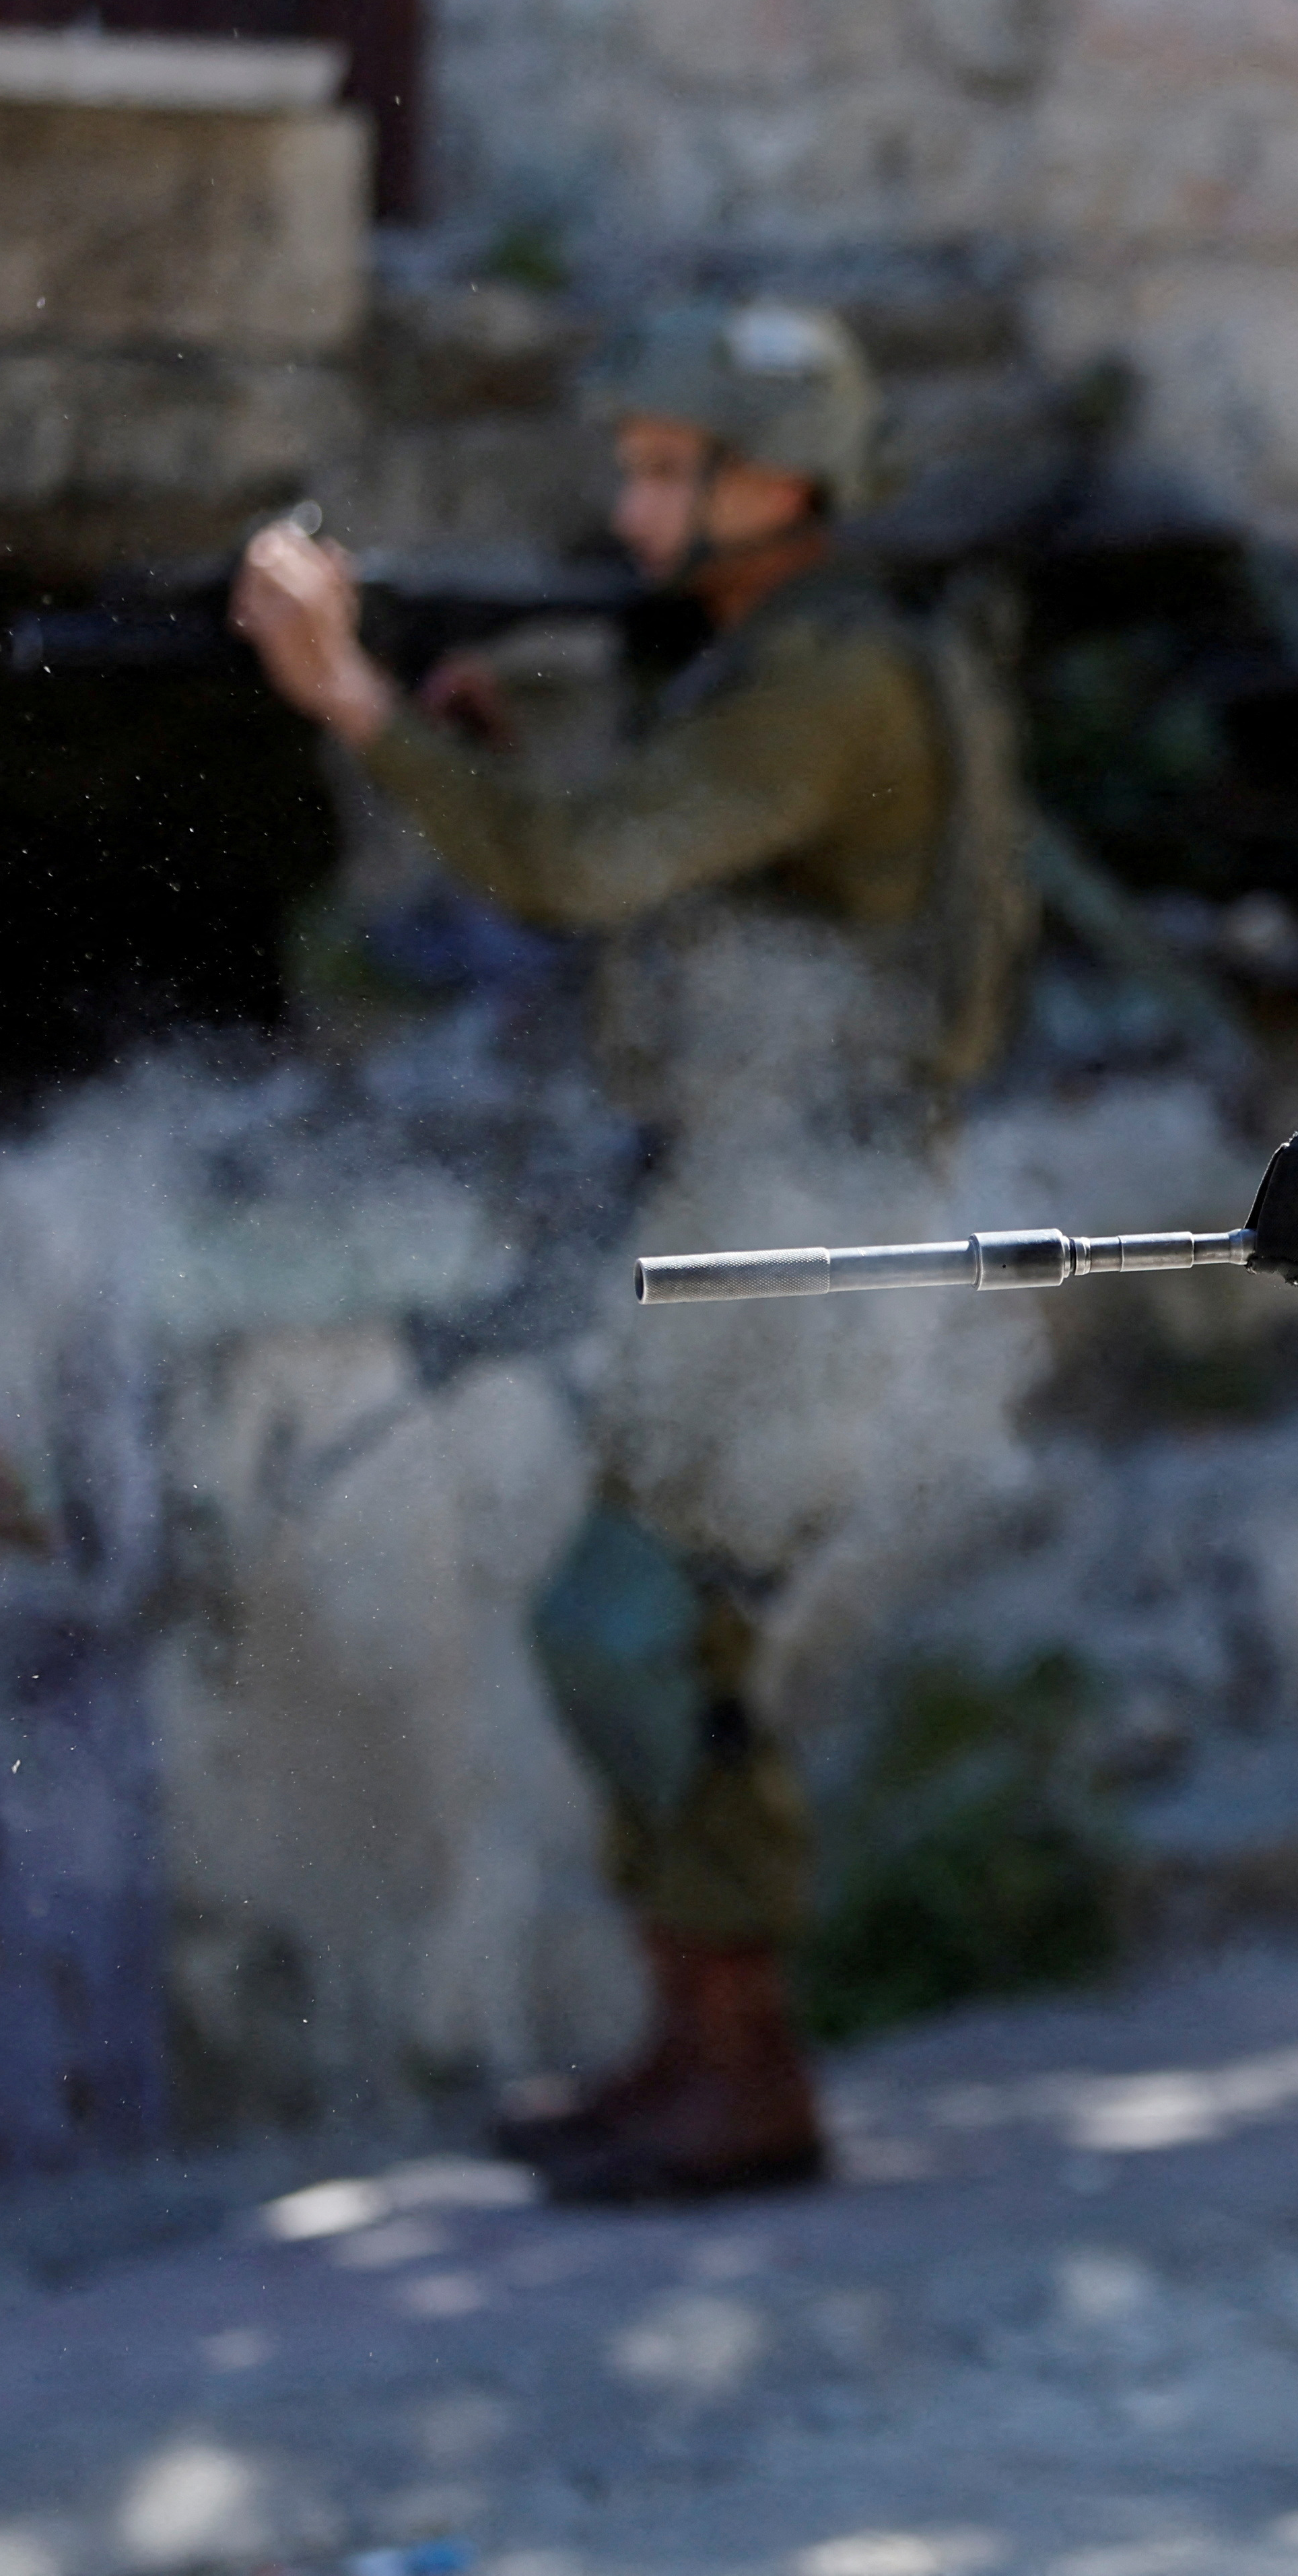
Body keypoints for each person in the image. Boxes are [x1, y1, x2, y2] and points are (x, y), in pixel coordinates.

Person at [232, 299, 1033, 2202]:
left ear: (778, 485)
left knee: (638, 1623)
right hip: (761, 1197)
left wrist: (351, 707)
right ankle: (706, 2050)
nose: (632, 498)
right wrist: (485, 760)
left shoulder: (823, 682)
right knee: (656, 1625)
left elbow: (587, 873)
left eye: (668, 466)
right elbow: (658, 888)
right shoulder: (787, 660)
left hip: (805, 1216)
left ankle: (739, 2068)